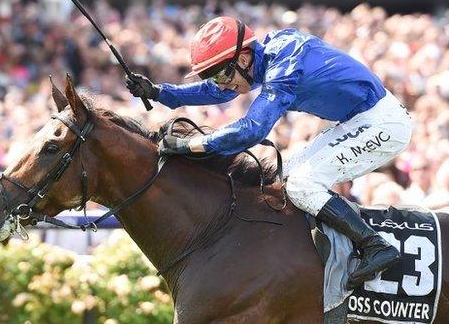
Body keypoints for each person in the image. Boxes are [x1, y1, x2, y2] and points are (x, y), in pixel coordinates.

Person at [126, 16, 413, 289]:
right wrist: (159, 92)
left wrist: (192, 146)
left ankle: (375, 247)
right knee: (283, 175)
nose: (223, 84)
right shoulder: (263, 58)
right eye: (215, 78)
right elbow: (223, 92)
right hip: (357, 120)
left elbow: (252, 130)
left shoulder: (285, 63)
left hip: (383, 123)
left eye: (223, 75)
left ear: (242, 58)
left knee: (302, 185)